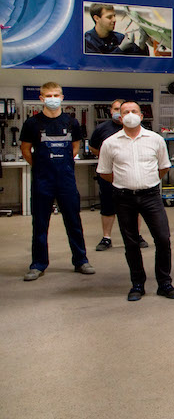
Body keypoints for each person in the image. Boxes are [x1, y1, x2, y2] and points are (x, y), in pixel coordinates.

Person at [96, 101, 174, 301]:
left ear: (141, 116)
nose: (130, 114)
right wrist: (124, 181)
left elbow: (163, 167)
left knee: (162, 238)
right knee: (131, 242)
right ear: (120, 117)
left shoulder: (155, 139)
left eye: (134, 111)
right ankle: (137, 284)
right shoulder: (110, 143)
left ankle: (164, 283)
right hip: (123, 197)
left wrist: (146, 181)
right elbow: (105, 172)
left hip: (151, 196)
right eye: (126, 112)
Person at [20, 82, 92, 281]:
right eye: (48, 95)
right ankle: (38, 264)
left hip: (66, 180)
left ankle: (81, 260)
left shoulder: (72, 122)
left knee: (74, 221)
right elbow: (25, 149)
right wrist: (40, 166)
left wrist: (63, 164)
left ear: (62, 97)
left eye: (56, 95)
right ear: (41, 98)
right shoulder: (32, 123)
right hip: (42, 180)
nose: (52, 99)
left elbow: (75, 148)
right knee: (40, 223)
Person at [90, 98, 149, 252]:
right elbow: (93, 147)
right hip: (109, 176)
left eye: (132, 111)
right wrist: (107, 158)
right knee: (108, 207)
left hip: (131, 176)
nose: (127, 114)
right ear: (111, 111)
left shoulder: (140, 129)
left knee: (135, 207)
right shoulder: (102, 129)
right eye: (116, 109)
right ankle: (106, 237)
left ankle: (136, 236)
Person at [84, 3, 148, 55]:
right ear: (96, 18)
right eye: (109, 17)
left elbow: (140, 62)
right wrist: (120, 49)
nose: (114, 20)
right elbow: (100, 64)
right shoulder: (87, 41)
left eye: (114, 16)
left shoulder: (120, 38)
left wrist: (142, 46)